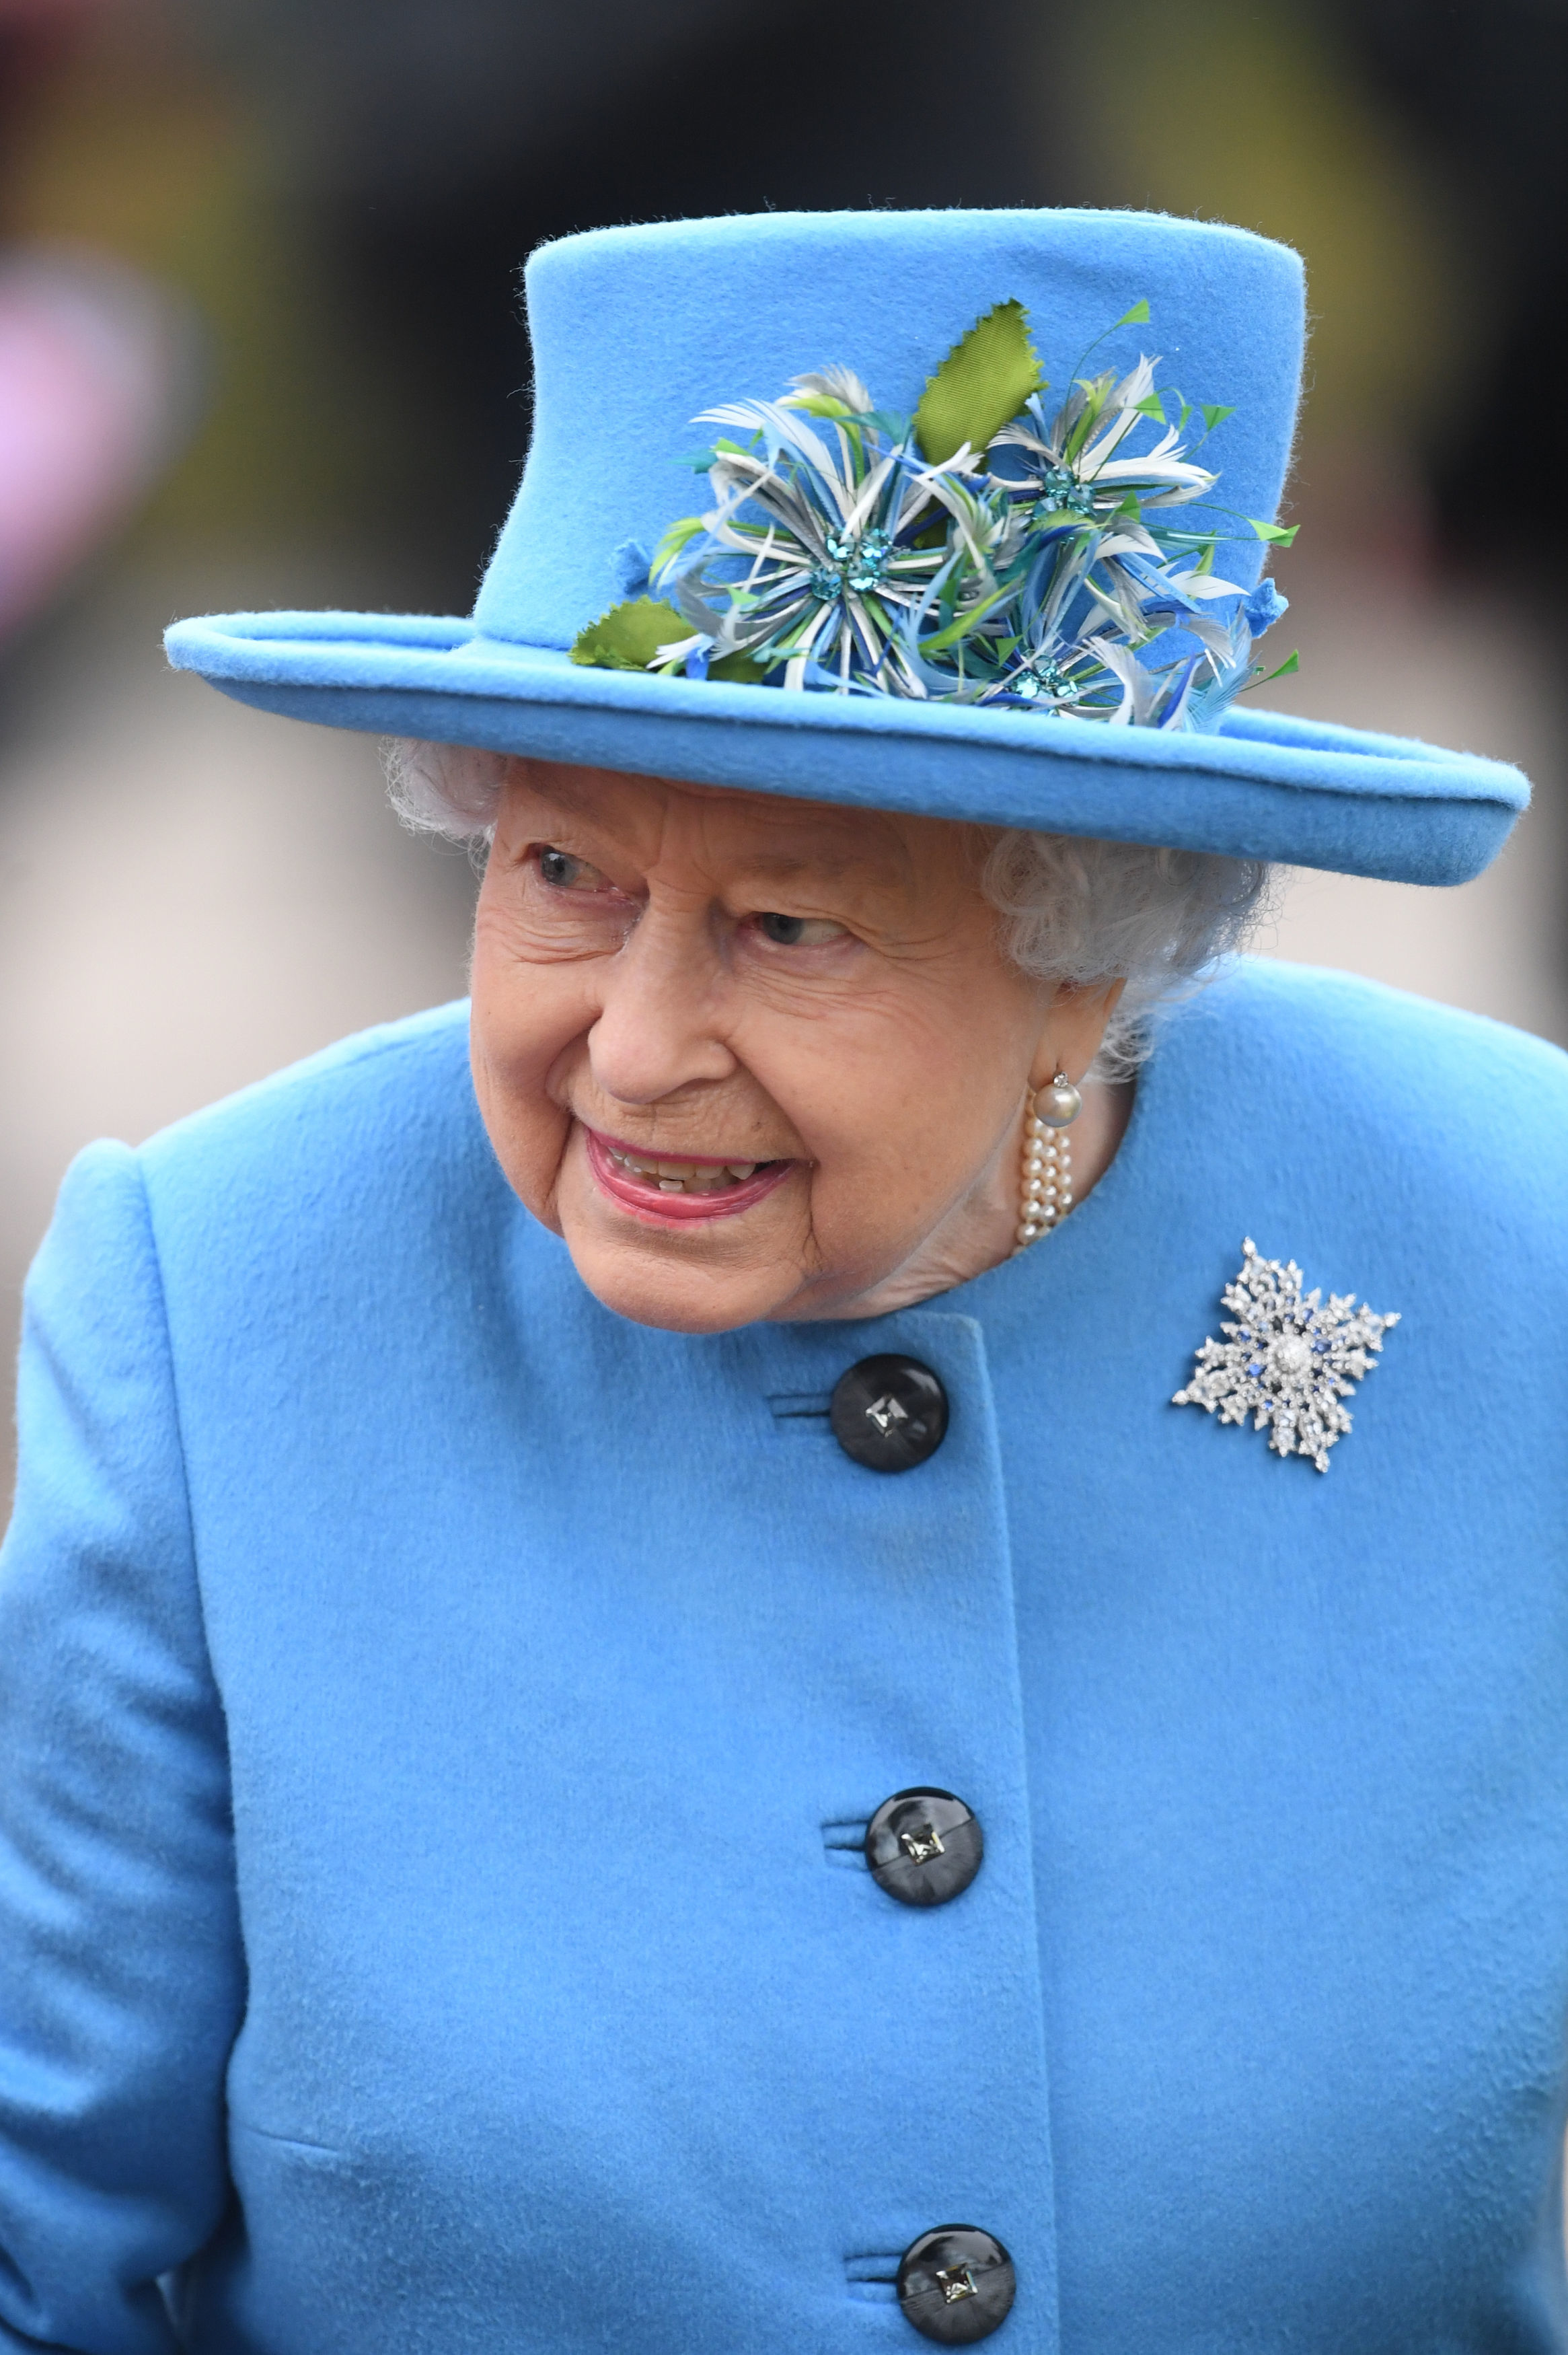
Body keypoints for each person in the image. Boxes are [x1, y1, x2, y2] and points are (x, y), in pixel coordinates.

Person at [1, 207, 1563, 2355]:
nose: (631, 1046)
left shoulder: (1504, 1232)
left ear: (1081, 961)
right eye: (564, 871)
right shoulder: (229, 1291)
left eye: (788, 926)